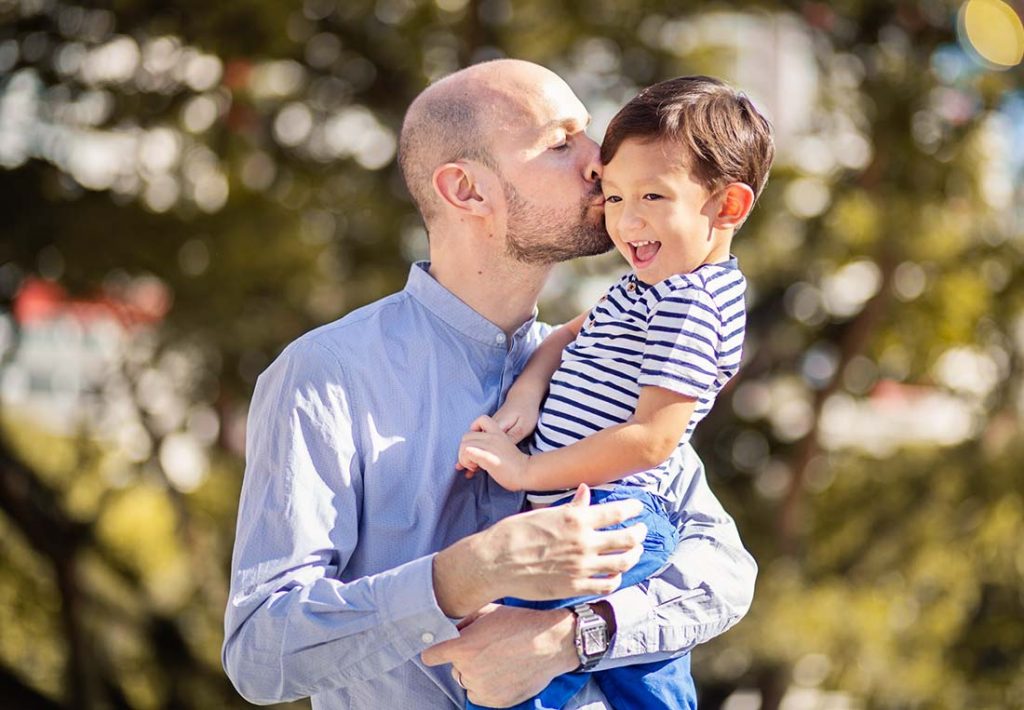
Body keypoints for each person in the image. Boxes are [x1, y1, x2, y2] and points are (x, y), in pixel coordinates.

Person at [222, 59, 757, 710]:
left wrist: (572, 636)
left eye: (587, 134)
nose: (600, 161)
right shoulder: (326, 376)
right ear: (467, 191)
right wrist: (466, 576)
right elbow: (259, 651)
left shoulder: (608, 362)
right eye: (562, 143)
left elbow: (724, 571)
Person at [455, 76, 775, 709]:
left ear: (728, 208)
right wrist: (526, 394)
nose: (626, 221)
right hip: (592, 511)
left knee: (516, 676)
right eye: (615, 194)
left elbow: (653, 439)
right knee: (646, 680)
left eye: (654, 195)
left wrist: (526, 471)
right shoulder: (648, 289)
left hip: (611, 512)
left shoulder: (690, 304)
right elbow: (563, 339)